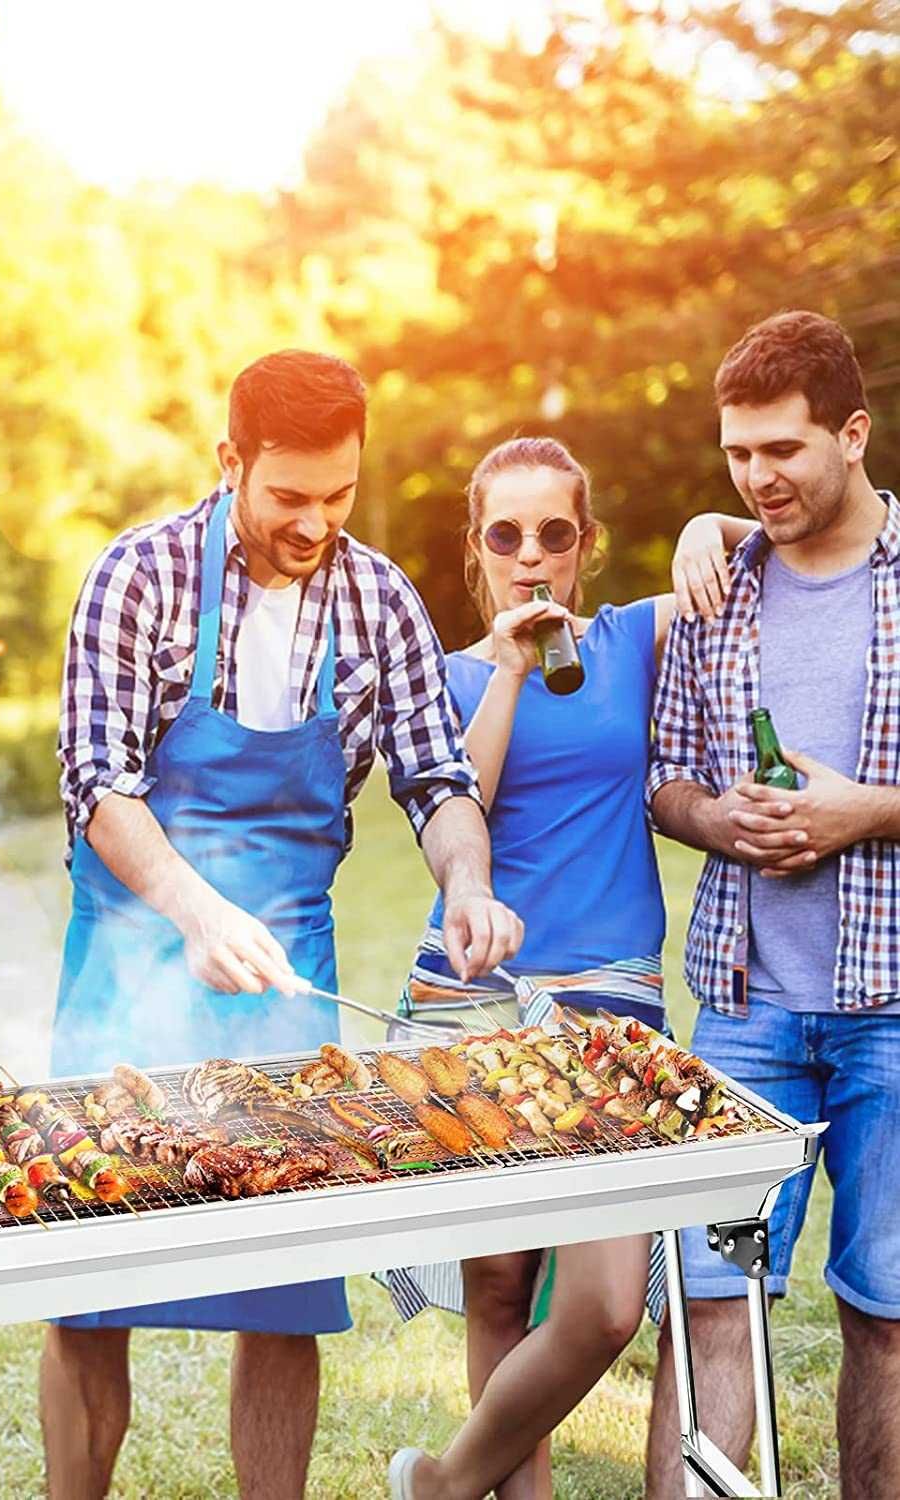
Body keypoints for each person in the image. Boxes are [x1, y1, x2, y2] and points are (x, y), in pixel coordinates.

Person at [46, 348, 522, 1499]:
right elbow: (96, 783)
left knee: (286, 1286)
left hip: (288, 986)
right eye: (288, 497)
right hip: (128, 964)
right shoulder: (138, 577)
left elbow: (438, 779)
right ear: (230, 463)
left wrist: (466, 881)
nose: (315, 523)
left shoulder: (379, 599)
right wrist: (194, 910)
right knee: (91, 1285)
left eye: (338, 496)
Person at [386, 438, 755, 1500]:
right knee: (500, 1286)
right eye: (507, 535)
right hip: (477, 1002)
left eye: (555, 532)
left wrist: (701, 527)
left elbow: (764, 542)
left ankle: (446, 1481)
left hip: (612, 1007)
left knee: (603, 1301)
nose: (531, 556)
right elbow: (464, 801)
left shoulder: (634, 638)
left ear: (586, 544)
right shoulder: (452, 677)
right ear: (477, 550)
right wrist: (505, 667)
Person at [644, 311, 900, 1497]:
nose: (757, 479)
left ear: (853, 434)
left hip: (892, 1010)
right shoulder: (717, 581)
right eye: (738, 456)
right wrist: (715, 821)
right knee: (707, 1313)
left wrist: (868, 812)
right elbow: (667, 777)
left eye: (782, 451)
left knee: (888, 1319)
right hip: (744, 1007)